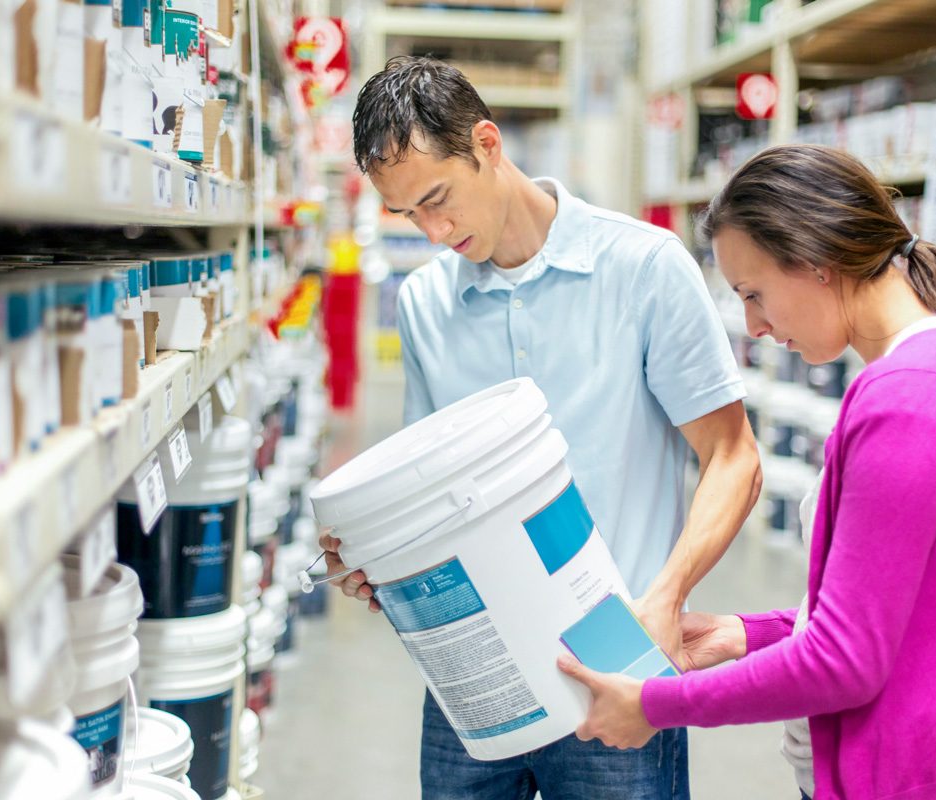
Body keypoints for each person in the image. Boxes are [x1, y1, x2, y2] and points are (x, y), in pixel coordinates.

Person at [319, 56, 762, 799]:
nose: (432, 231)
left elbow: (734, 459)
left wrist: (665, 598)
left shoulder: (643, 268)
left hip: (614, 651)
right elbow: (430, 499)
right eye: (408, 215)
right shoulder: (427, 303)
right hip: (474, 670)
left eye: (438, 199)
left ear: (487, 144)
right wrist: (381, 562)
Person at [558, 144, 936, 800]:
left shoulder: (910, 396)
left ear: (815, 259)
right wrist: (747, 634)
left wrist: (655, 704)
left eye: (753, 293)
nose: (754, 325)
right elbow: (905, 606)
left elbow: (844, 662)